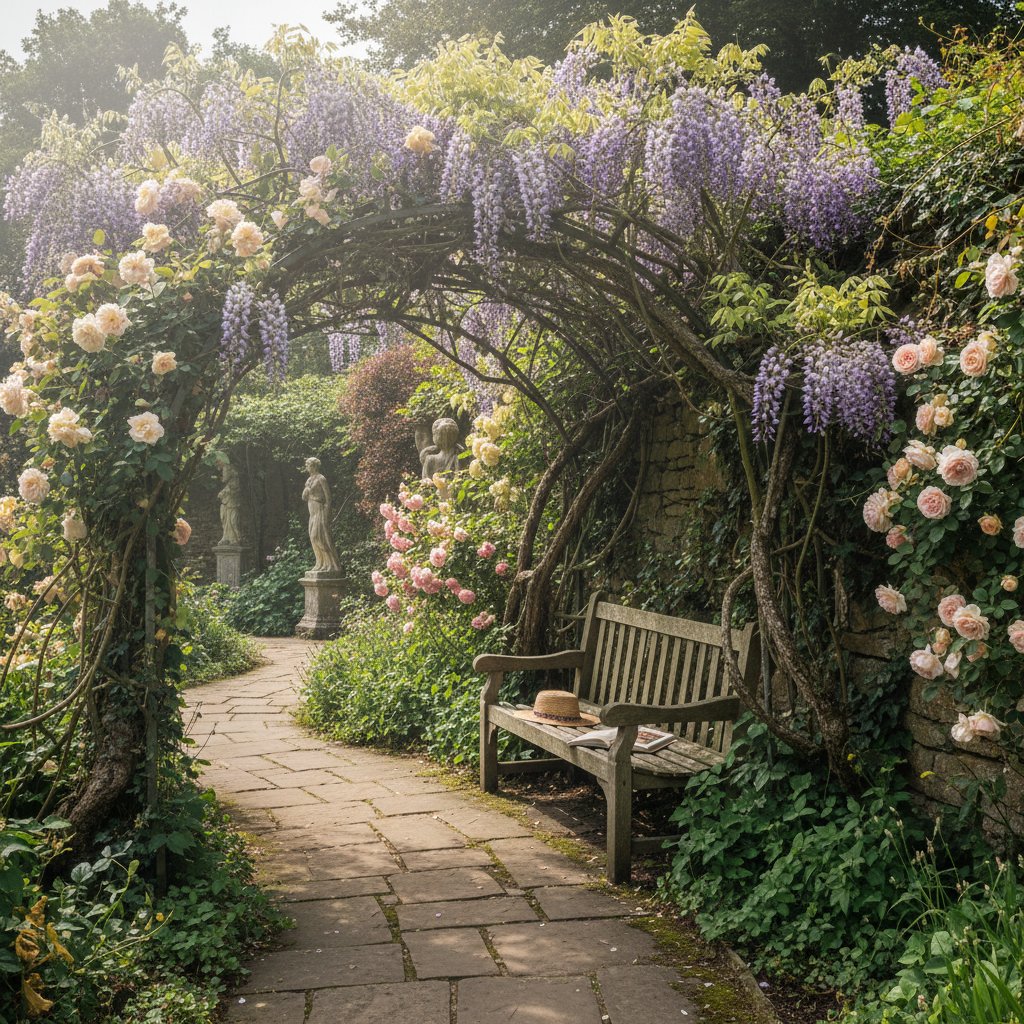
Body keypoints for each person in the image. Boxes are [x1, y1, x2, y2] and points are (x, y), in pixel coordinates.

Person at [302, 457, 341, 573]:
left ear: (314, 466)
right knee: (313, 538)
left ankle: (331, 565)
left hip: (320, 510)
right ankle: (320, 563)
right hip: (312, 512)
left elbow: (328, 498)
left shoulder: (321, 478)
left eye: (308, 465)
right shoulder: (309, 480)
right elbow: (304, 497)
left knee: (319, 537)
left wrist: (326, 513)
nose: (306, 467)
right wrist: (306, 491)